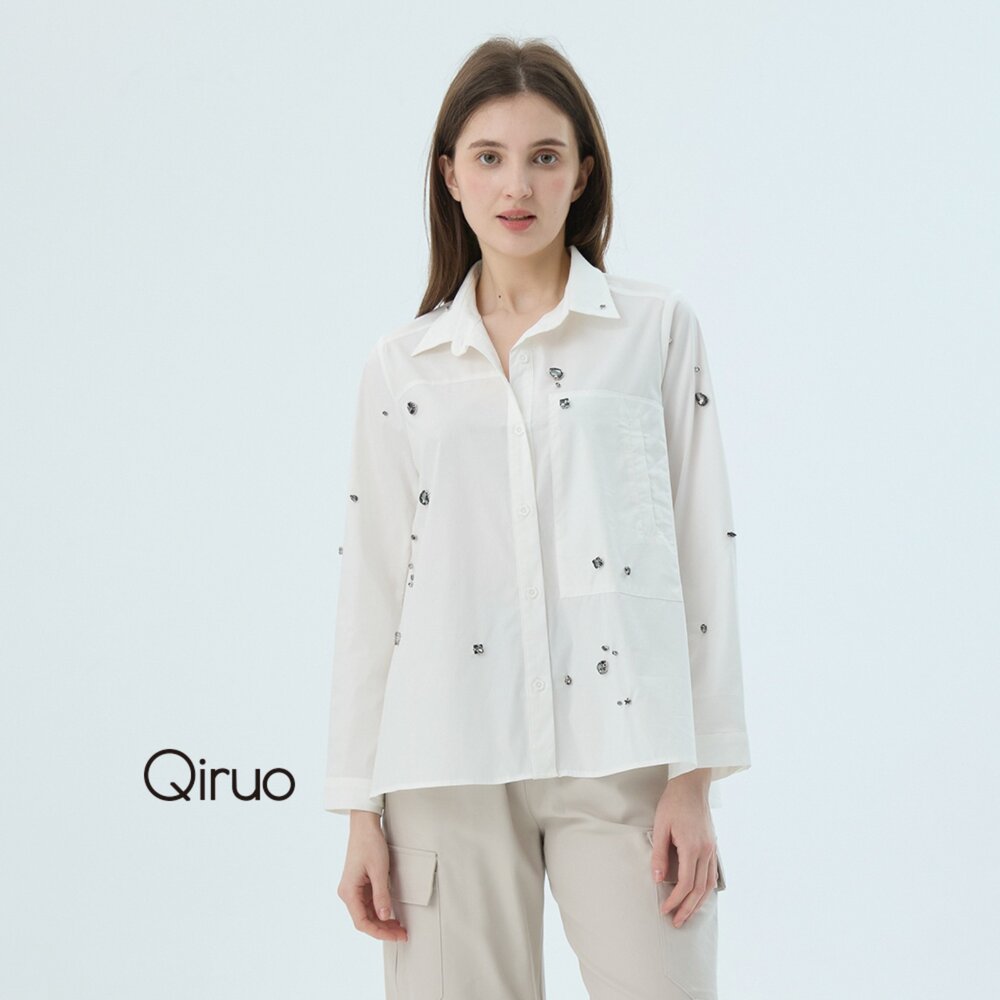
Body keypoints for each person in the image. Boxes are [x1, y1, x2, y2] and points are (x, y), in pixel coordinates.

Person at [323, 35, 751, 1000]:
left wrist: (695, 775)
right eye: (489, 157)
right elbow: (374, 587)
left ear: (582, 173)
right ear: (451, 176)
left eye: (544, 156)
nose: (516, 185)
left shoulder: (654, 331)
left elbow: (703, 550)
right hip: (443, 759)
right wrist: (358, 808)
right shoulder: (402, 366)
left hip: (625, 753)